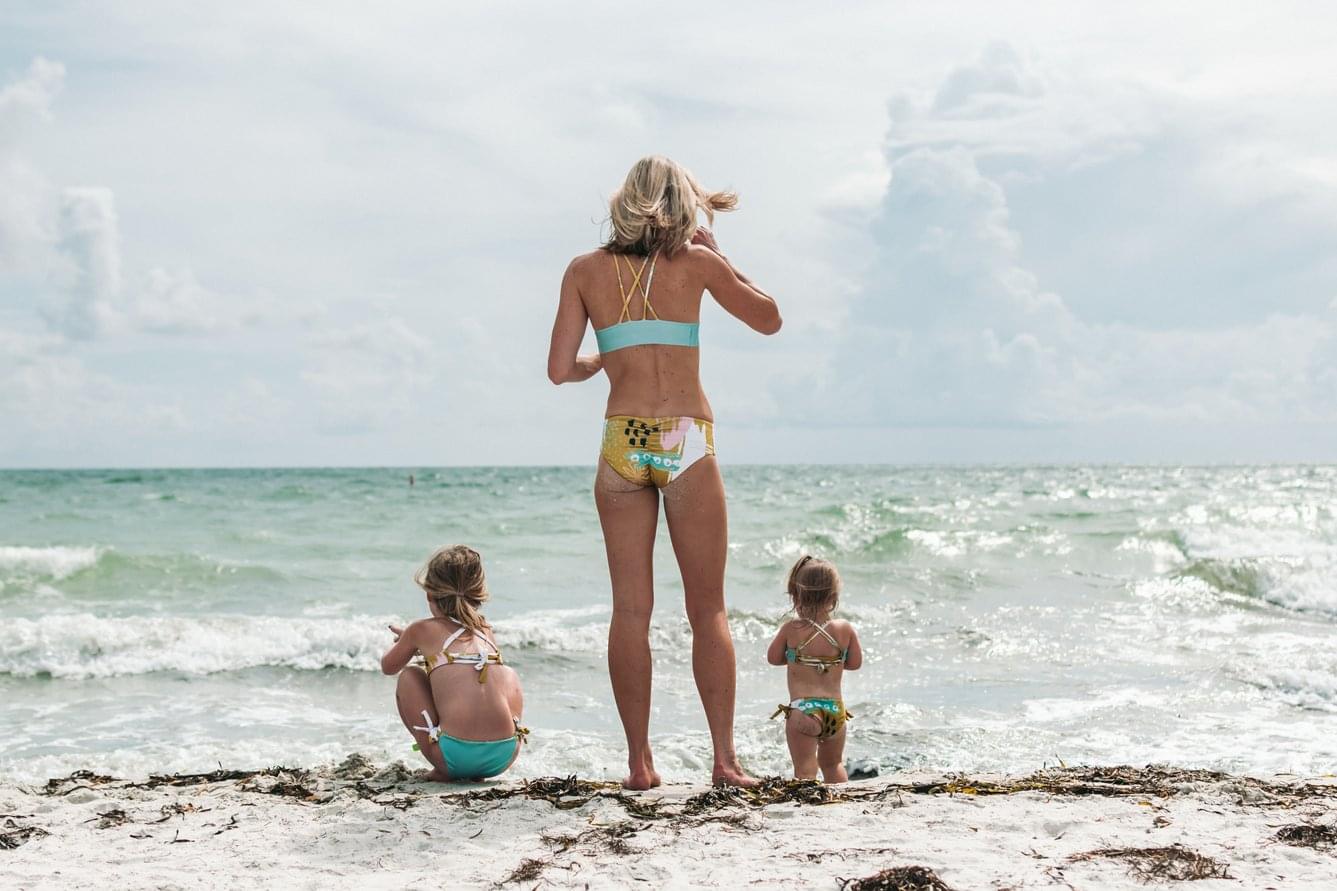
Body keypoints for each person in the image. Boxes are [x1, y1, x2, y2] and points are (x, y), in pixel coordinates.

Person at [546, 155, 782, 789]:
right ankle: (725, 762)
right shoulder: (698, 264)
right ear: (682, 202)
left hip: (623, 440)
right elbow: (769, 318)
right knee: (707, 610)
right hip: (683, 439)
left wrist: (599, 363)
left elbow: (559, 369)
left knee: (630, 611)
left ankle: (639, 765)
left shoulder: (583, 271)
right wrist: (720, 254)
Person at [381, 544, 526, 781]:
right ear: (478, 592)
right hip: (504, 756)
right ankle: (490, 749)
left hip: (455, 758)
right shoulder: (485, 629)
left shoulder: (420, 629)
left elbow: (388, 667)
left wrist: (408, 639)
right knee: (504, 673)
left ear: (429, 593)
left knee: (409, 675)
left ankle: (440, 767)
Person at [766, 555, 862, 783]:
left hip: (803, 711)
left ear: (795, 595)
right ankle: (841, 804)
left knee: (805, 769)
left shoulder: (791, 629)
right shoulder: (844, 629)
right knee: (834, 765)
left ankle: (809, 807)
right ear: (833, 596)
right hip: (836, 712)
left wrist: (796, 659)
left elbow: (773, 658)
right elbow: (854, 663)